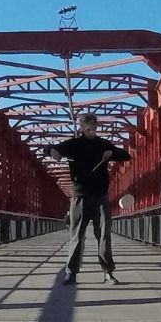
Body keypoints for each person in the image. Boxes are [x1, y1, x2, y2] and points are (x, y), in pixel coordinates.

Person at [49, 113, 131, 283]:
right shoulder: (74, 145)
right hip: (80, 196)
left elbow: (125, 155)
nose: (92, 130)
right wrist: (53, 152)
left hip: (100, 196)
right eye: (89, 127)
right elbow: (50, 149)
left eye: (94, 126)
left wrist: (111, 152)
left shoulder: (103, 144)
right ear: (82, 127)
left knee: (104, 235)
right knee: (77, 236)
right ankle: (71, 272)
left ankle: (108, 272)